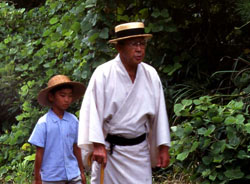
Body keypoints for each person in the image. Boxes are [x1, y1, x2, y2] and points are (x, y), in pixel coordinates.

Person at [78, 22, 171, 184]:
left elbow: (160, 114)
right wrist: (98, 145)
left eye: (142, 43)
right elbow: (92, 111)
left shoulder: (151, 75)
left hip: (139, 153)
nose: (139, 49)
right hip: (110, 153)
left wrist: (163, 147)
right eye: (134, 44)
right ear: (119, 47)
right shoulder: (103, 74)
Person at [28, 75, 86, 184]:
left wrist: (81, 172)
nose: (67, 99)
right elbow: (39, 153)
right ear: (51, 97)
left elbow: (76, 147)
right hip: (52, 177)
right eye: (62, 95)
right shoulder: (43, 123)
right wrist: (37, 178)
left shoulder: (73, 120)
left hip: (73, 175)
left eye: (69, 96)